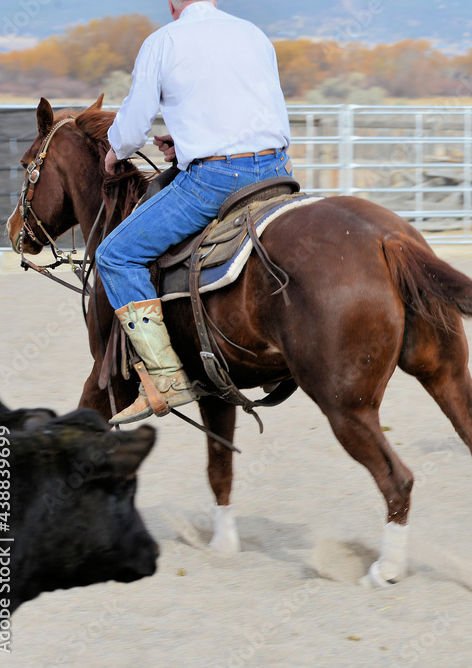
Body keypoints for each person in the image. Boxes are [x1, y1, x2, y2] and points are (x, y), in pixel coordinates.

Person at [97, 0, 293, 424]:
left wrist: (115, 151)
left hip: (215, 181)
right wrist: (184, 143)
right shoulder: (252, 34)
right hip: (276, 169)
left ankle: (167, 377)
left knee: (115, 255)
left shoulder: (164, 40)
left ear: (172, 3)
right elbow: (268, 111)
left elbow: (132, 127)